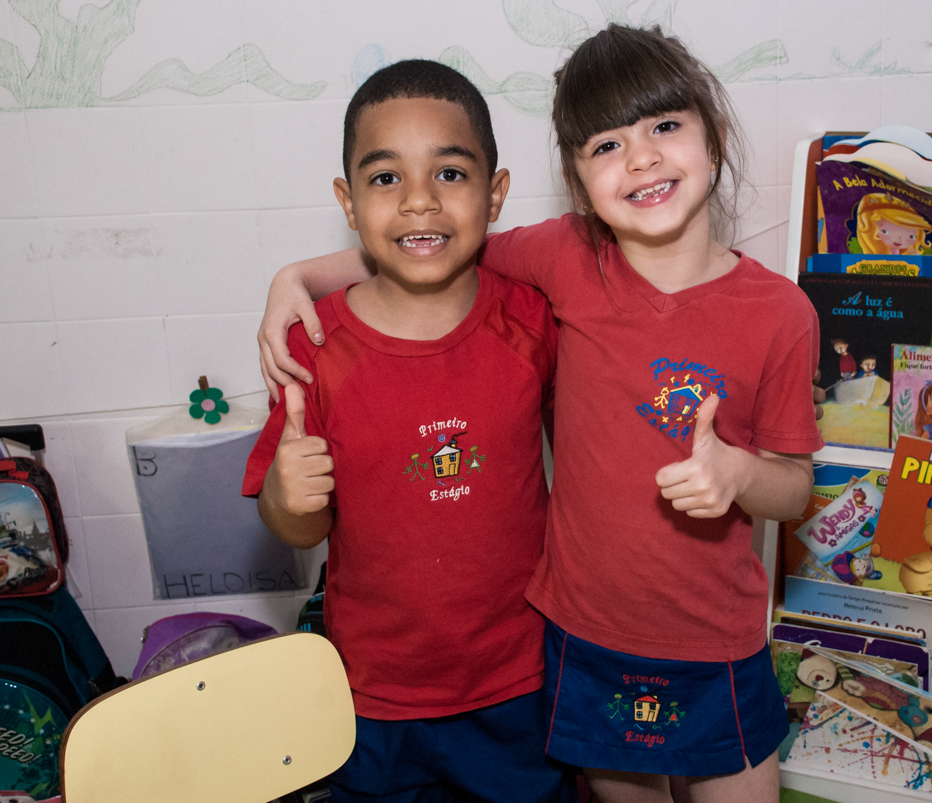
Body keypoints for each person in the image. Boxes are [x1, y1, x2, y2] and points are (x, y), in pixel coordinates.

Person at [257, 24, 822, 803]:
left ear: (715, 134)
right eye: (606, 145)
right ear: (575, 175)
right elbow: (435, 237)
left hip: (715, 642)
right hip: (582, 641)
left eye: (664, 126)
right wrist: (297, 276)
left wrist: (739, 472)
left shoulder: (782, 312)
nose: (643, 158)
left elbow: (795, 489)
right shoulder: (563, 259)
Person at [241, 60, 573, 803]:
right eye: (386, 178)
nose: (419, 200)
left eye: (450, 173)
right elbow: (293, 524)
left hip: (520, 682)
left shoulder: (533, 318)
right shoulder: (312, 345)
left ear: (496, 192)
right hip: (372, 696)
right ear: (348, 203)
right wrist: (289, 499)